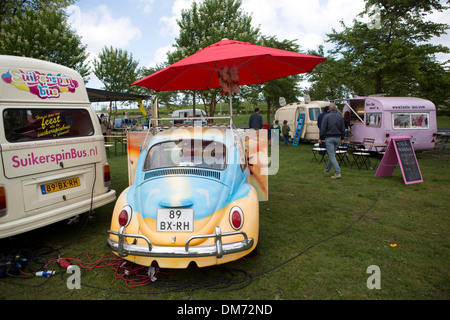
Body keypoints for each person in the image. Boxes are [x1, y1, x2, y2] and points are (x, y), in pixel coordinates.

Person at [320, 103, 345, 179]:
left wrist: (321, 138)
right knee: (332, 155)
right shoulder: (340, 117)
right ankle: (327, 170)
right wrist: (342, 138)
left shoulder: (326, 116)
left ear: (329, 109)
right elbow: (343, 129)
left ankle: (338, 172)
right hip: (337, 138)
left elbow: (323, 128)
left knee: (331, 155)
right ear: (335, 108)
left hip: (329, 137)